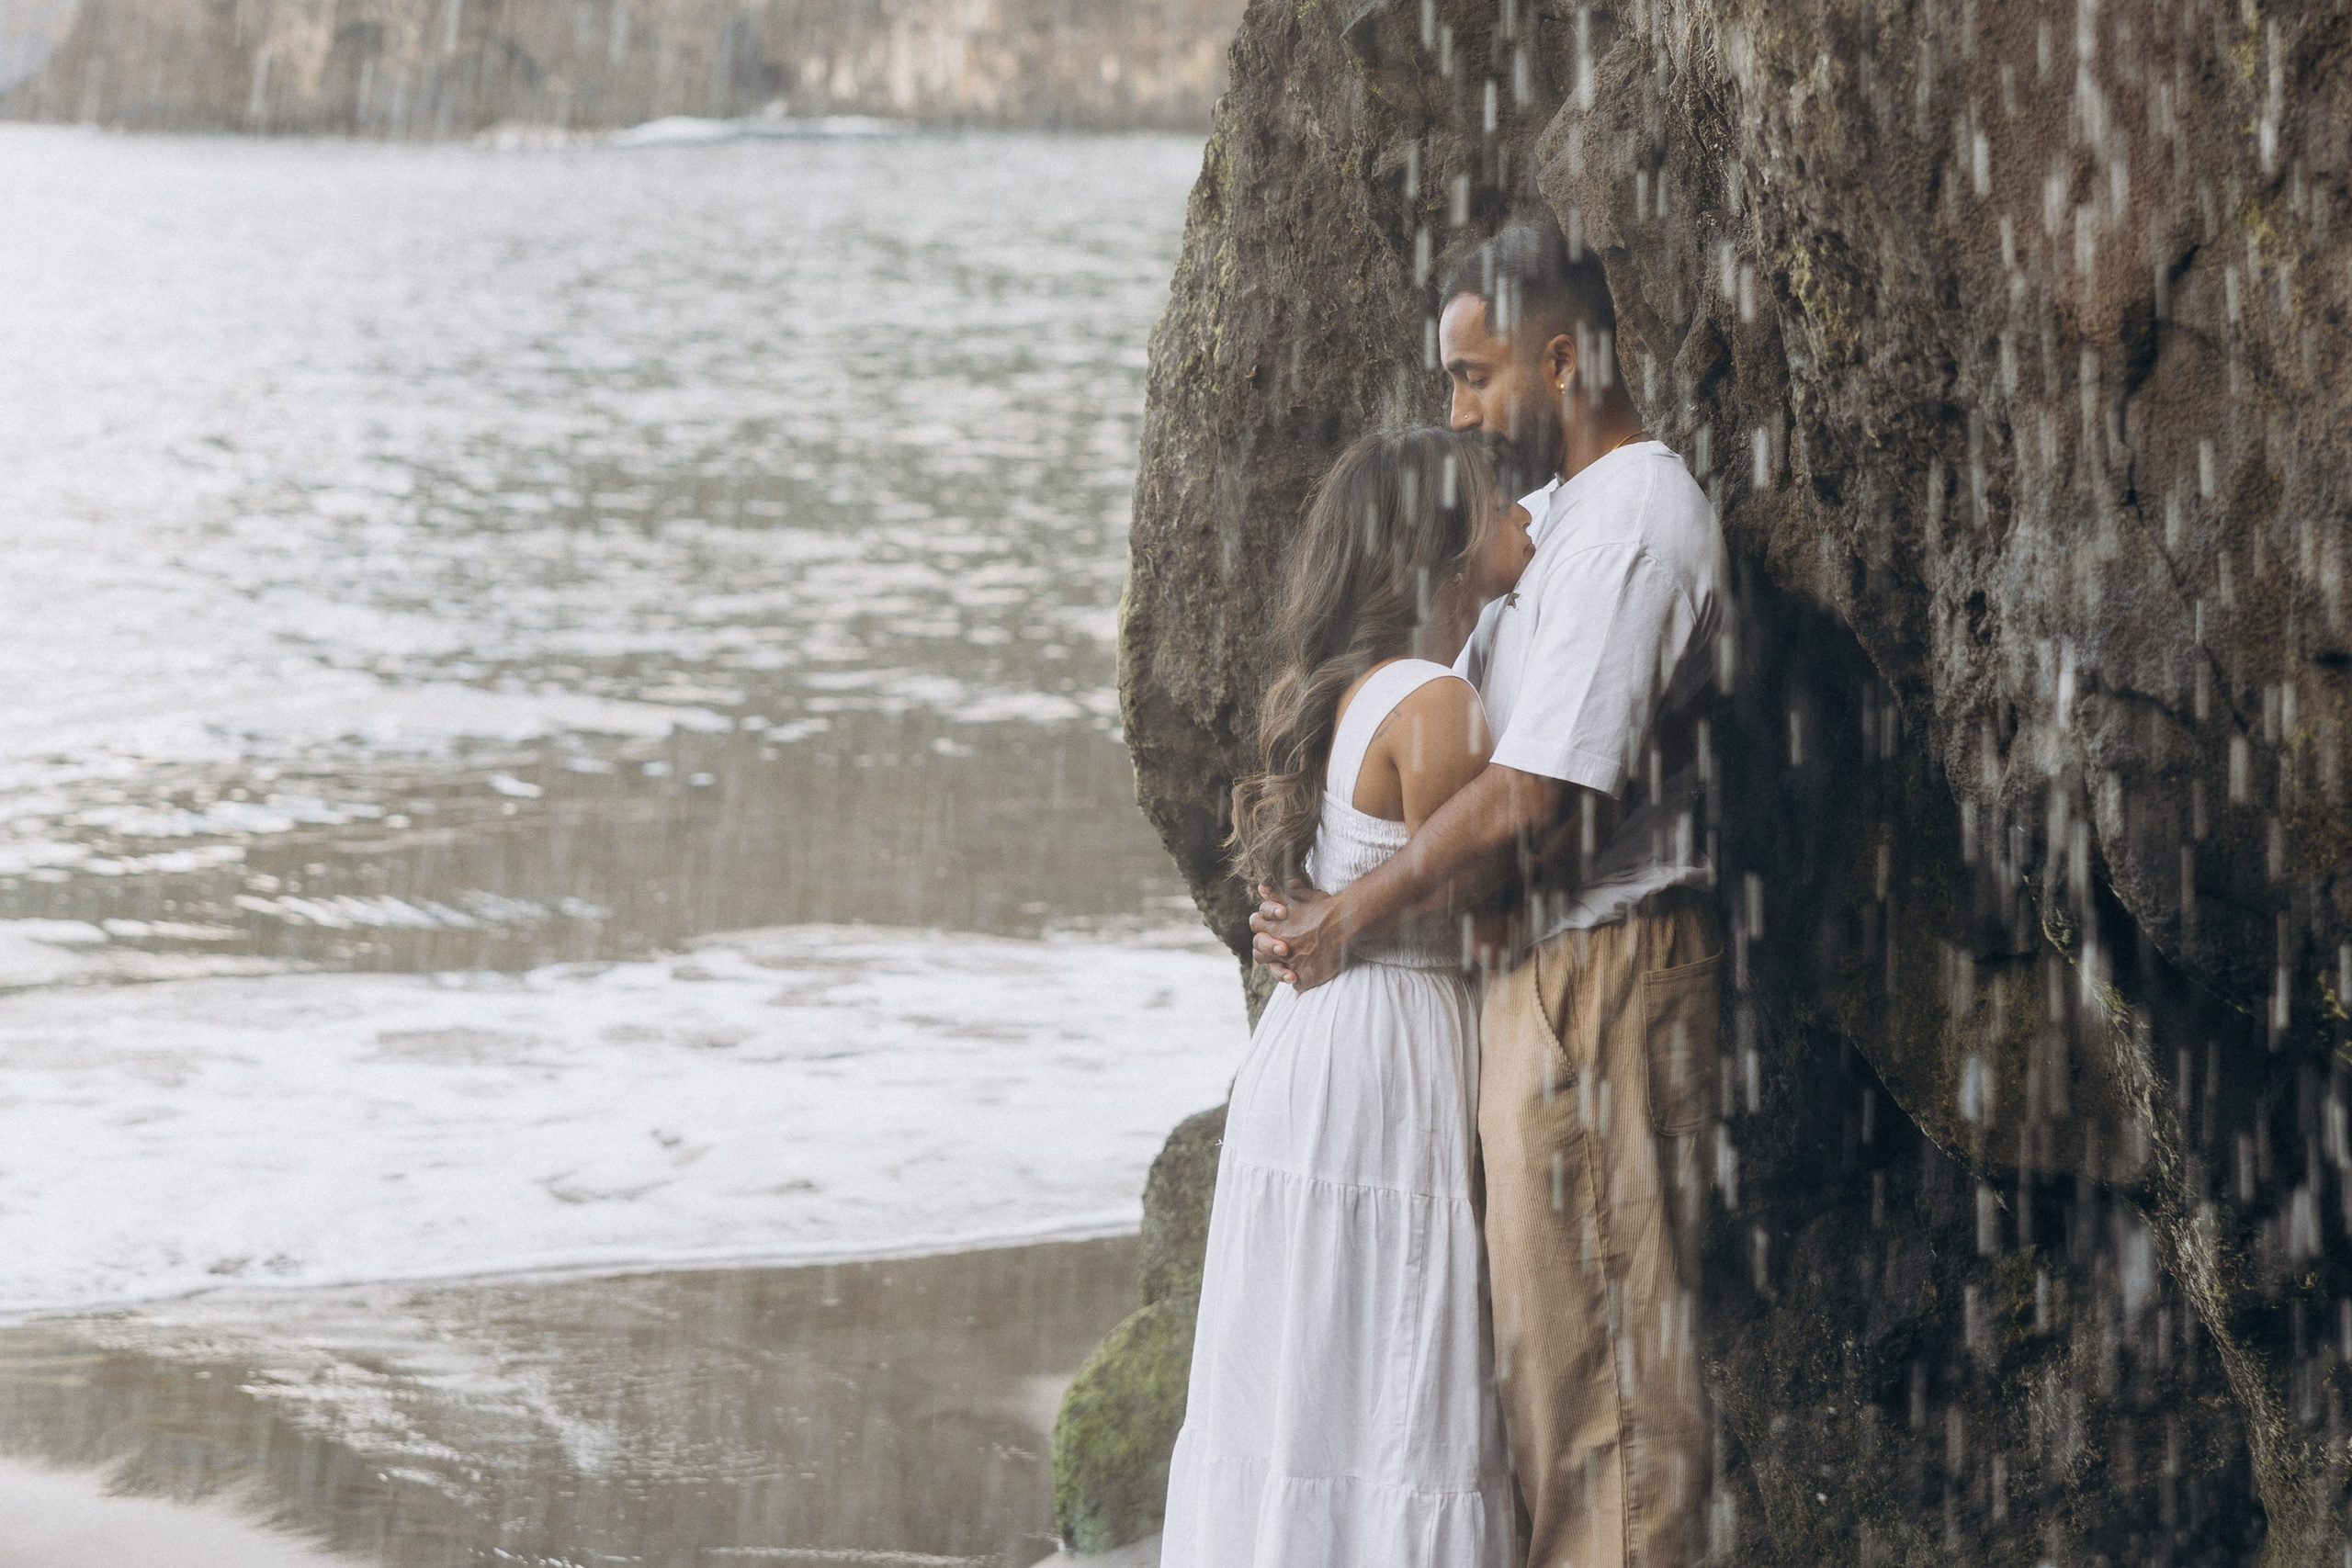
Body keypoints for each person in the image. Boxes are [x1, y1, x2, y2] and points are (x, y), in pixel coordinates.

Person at [1253, 221, 1730, 1568]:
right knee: (1544, 1389)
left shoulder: (1636, 519)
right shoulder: (1560, 521)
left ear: (1565, 358)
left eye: (1476, 377)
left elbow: (1532, 794)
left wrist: (1345, 920)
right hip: (1540, 981)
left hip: (1604, 976)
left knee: (1610, 1413)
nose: (1456, 410)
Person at [1160, 425, 1534, 1567]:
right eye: (1495, 496)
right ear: (1442, 546)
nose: (1521, 505)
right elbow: (1486, 913)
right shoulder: (1437, 705)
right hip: (1391, 1045)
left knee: (1305, 1375)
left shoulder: (1361, 690)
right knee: (1401, 1360)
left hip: (1315, 1045)